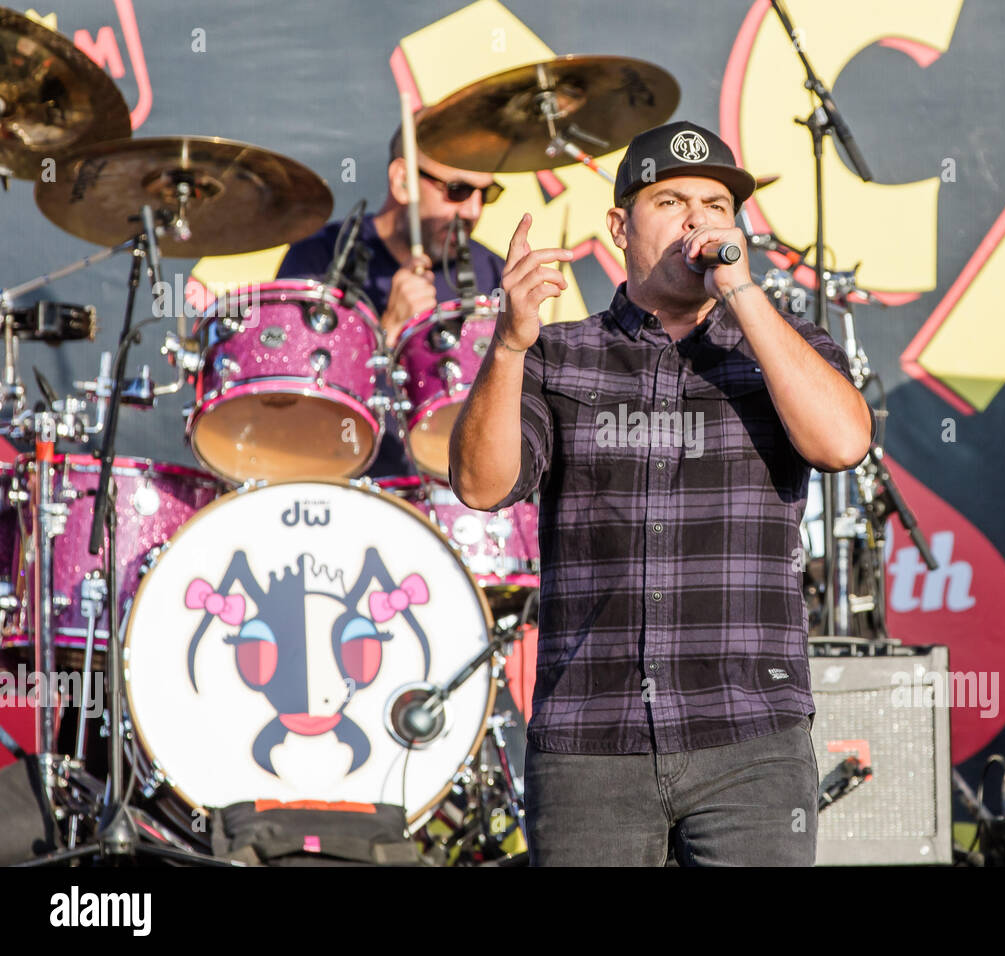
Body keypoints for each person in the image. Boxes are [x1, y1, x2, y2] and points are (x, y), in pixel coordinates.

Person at [448, 121, 875, 866]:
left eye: (716, 204)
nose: (698, 220)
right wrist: (510, 343)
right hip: (591, 738)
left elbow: (841, 442)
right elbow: (483, 485)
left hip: (750, 734)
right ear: (619, 226)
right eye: (671, 201)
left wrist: (740, 290)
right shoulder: (558, 354)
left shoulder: (786, 346)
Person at [277, 127, 506, 474]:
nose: (474, 210)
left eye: (486, 194)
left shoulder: (492, 270)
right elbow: (286, 405)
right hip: (341, 486)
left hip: (459, 499)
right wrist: (387, 330)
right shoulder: (319, 258)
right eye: (457, 191)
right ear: (402, 181)